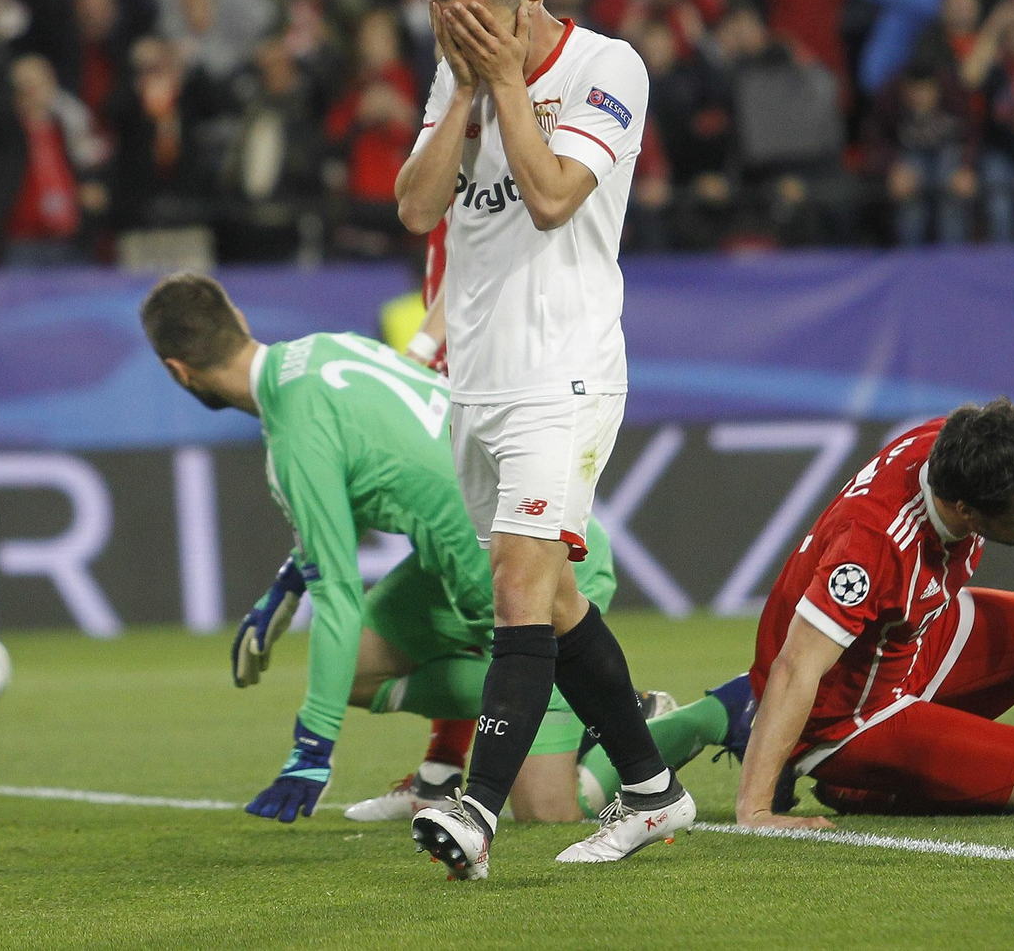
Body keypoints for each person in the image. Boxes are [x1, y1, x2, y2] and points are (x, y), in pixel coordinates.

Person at [137, 273, 737, 826]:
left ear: (177, 371)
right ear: (236, 316)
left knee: (551, 810)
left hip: (527, 559)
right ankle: (566, 707)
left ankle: (666, 718)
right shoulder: (326, 350)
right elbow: (384, 476)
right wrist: (287, 584)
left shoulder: (294, 437)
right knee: (355, 668)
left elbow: (340, 598)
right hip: (505, 531)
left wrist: (311, 748)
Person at [394, 0, 691, 879]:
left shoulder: (610, 68)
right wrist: (465, 90)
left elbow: (555, 192)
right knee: (552, 599)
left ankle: (474, 810)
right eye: (446, 30)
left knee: (518, 585)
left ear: (530, 0)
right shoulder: (465, 70)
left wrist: (507, 86)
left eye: (475, 25)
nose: (461, 43)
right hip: (477, 379)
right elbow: (414, 205)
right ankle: (652, 790)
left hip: (565, 371)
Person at [735, 399, 1014, 828]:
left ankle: (911, 753)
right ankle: (854, 781)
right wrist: (756, 811)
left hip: (908, 637)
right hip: (844, 711)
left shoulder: (955, 442)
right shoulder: (873, 548)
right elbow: (796, 668)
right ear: (967, 511)